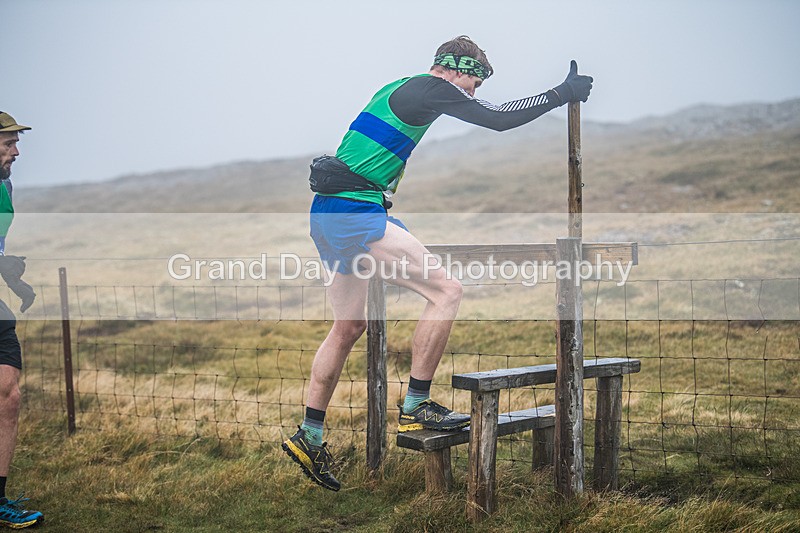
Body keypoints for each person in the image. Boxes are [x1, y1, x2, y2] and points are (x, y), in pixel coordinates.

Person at [282, 36, 593, 491]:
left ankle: (309, 435)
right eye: (474, 81)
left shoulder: (400, 86)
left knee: (348, 327)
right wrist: (561, 94)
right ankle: (416, 406)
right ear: (457, 68)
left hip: (328, 213)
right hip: (353, 212)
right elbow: (498, 118)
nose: (473, 92)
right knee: (447, 290)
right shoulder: (432, 87)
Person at [0, 111, 42, 528]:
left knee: (8, 394)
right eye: (8, 144)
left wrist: (11, 274)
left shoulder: (5, 185)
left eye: (15, 143)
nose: (16, 152)